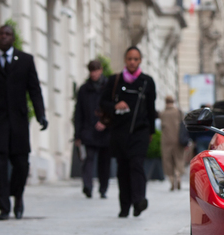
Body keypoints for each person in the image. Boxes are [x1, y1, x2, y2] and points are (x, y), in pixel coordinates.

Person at [0, 25, 48, 221]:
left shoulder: (25, 60)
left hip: (18, 121)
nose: (3, 37)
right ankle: (4, 207)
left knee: (21, 163)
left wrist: (41, 114)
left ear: (13, 38)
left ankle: (18, 195)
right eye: (0, 34)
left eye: (7, 34)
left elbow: (34, 90)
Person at [100, 46, 156, 217]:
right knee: (122, 169)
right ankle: (124, 206)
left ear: (140, 61)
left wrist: (151, 132)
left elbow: (151, 108)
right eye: (130, 59)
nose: (132, 62)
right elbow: (102, 103)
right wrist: (115, 106)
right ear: (125, 60)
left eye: (136, 59)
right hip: (119, 132)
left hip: (140, 131)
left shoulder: (147, 81)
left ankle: (139, 200)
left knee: (136, 165)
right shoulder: (114, 80)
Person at [74, 59, 111, 199]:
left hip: (105, 131)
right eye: (92, 71)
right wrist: (77, 134)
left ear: (101, 70)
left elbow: (113, 108)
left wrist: (105, 122)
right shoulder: (84, 89)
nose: (94, 74)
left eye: (96, 70)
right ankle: (88, 186)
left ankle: (103, 188)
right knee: (88, 159)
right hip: (88, 130)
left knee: (104, 162)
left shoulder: (108, 87)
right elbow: (78, 113)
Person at [159, 95, 186, 191]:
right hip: (178, 139)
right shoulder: (178, 112)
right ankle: (178, 176)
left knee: (168, 161)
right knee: (179, 159)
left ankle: (171, 182)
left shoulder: (162, 113)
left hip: (166, 140)